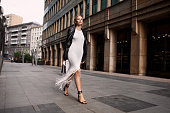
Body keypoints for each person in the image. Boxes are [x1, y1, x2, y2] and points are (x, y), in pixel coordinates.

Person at [55, 15, 88, 104]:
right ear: (75, 21)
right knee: (77, 71)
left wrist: (84, 57)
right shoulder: (71, 30)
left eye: (81, 19)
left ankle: (66, 86)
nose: (80, 20)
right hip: (72, 52)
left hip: (79, 54)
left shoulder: (84, 32)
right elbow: (67, 43)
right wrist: (64, 56)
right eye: (78, 19)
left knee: (73, 72)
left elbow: (84, 45)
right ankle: (80, 94)